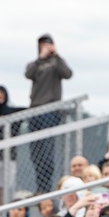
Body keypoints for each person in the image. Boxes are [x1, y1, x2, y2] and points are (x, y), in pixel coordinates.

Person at [26, 34, 73, 193]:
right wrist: (41, 58)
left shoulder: (57, 63)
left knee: (47, 152)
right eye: (42, 45)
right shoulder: (34, 64)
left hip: (50, 111)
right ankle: (40, 187)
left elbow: (67, 74)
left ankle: (46, 188)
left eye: (48, 44)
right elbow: (28, 74)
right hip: (35, 110)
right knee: (36, 153)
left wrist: (56, 55)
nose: (45, 47)